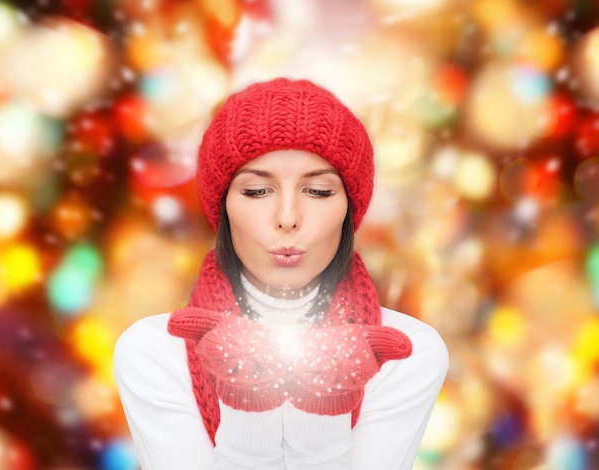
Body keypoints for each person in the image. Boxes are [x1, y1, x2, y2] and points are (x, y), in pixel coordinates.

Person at [113, 78, 449, 470]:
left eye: (319, 192)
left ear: (349, 210)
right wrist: (247, 405)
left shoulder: (406, 354)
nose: (287, 218)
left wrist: (324, 406)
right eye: (257, 191)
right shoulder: (153, 352)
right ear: (222, 209)